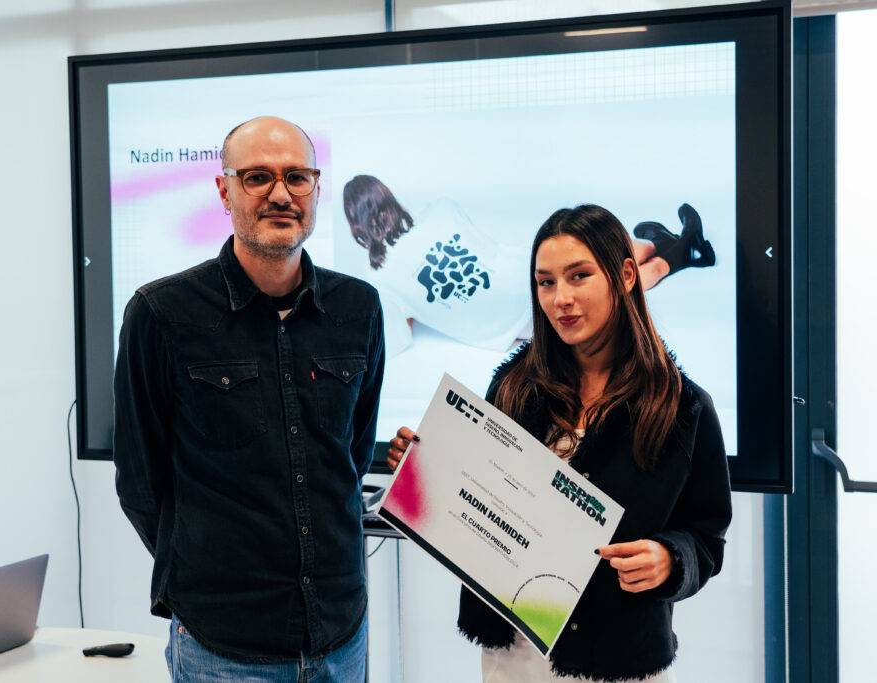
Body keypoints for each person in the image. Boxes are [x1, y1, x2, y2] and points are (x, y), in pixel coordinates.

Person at [386, 204, 731, 682]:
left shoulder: (681, 407)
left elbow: (706, 538)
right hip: (513, 657)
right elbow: (481, 504)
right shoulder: (514, 385)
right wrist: (427, 470)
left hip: (617, 662)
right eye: (546, 282)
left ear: (626, 275)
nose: (560, 298)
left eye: (578, 276)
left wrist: (670, 559)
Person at [113, 116, 385, 683]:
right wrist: (208, 573)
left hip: (341, 633)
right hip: (224, 647)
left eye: (297, 177)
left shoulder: (358, 307)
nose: (281, 194)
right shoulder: (161, 314)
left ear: (316, 187)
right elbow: (141, 481)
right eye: (258, 177)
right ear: (225, 190)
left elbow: (352, 456)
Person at [343, 175, 715, 355]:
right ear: (388, 197)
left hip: (515, 320)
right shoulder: (439, 210)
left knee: (606, 278)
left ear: (355, 223)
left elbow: (398, 340)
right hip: (528, 273)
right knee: (599, 268)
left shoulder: (379, 280)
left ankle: (670, 244)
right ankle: (677, 251)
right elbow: (488, 249)